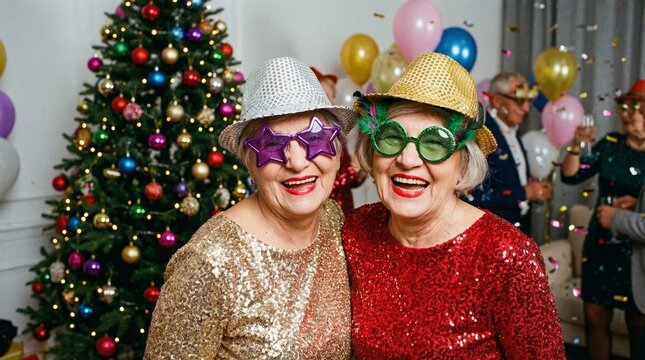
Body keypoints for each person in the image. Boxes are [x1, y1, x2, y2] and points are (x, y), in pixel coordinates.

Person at [343, 52, 565, 359]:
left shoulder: (507, 256)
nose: (407, 160)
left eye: (434, 143)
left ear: (462, 166)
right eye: (392, 138)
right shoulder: (355, 231)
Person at [144, 57, 356, 359]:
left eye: (314, 138)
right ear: (249, 163)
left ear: (337, 152)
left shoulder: (334, 220)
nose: (296, 161)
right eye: (271, 145)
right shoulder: (209, 263)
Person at [561, 79, 645, 359]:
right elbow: (571, 175)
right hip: (600, 244)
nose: (627, 116)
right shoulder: (610, 145)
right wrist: (575, 146)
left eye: (633, 110)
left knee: (639, 324)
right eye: (624, 110)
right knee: (596, 317)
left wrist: (634, 205)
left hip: (636, 251)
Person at [465, 72, 552, 235]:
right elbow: (472, 194)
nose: (526, 108)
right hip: (491, 233)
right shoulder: (481, 134)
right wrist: (525, 192)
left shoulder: (514, 130)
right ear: (497, 100)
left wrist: (533, 187)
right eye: (519, 100)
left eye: (528, 101)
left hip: (519, 229)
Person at [311, 66, 366, 214]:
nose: (334, 100)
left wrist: (359, 172)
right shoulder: (313, 139)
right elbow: (330, 180)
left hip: (345, 207)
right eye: (328, 95)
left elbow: (346, 175)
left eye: (334, 95)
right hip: (327, 211)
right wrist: (352, 171)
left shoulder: (337, 132)